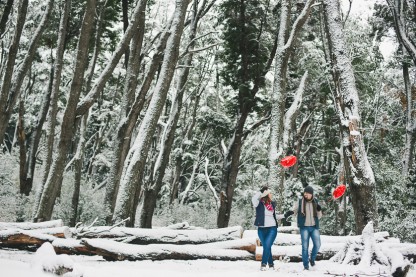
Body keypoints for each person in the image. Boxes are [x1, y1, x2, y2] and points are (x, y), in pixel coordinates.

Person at [284, 185, 322, 270]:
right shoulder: (300, 202)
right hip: (304, 228)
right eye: (305, 193)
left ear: (311, 194)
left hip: (314, 227)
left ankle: (312, 259)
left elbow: (319, 216)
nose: (306, 194)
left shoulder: (315, 202)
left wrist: (319, 210)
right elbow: (294, 211)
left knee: (318, 244)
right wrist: (289, 213)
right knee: (305, 247)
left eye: (307, 193)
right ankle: (306, 265)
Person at [252, 186, 285, 271]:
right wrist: (261, 191)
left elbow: (274, 216)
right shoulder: (259, 203)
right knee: (267, 247)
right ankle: (271, 264)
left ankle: (263, 264)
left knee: (267, 246)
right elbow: (253, 199)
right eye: (270, 193)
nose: (271, 194)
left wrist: (285, 215)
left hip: (272, 229)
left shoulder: (272, 204)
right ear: (266, 194)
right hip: (261, 229)